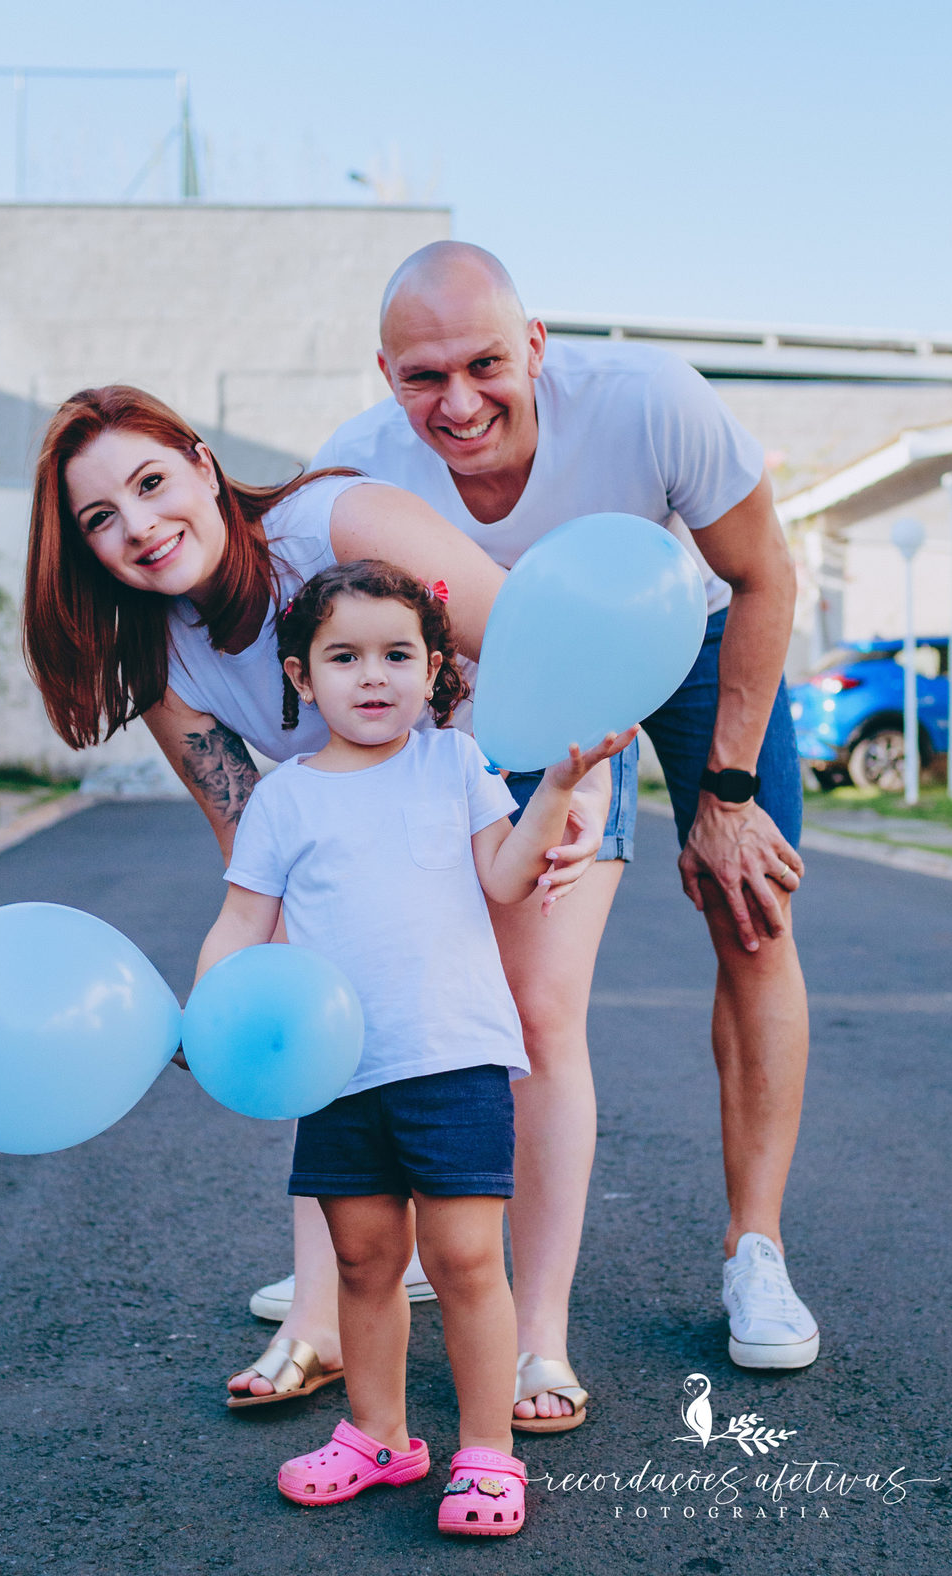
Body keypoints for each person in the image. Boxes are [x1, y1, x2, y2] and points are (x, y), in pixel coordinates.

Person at [22, 383, 613, 1413]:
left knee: (531, 1019)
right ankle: (323, 1315)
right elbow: (245, 836)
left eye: (151, 483)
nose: (139, 528)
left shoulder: (334, 522)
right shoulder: (164, 650)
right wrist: (243, 1002)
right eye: (100, 519)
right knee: (339, 1032)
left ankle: (541, 1342)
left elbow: (536, 643)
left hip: (534, 757)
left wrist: (586, 793)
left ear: (204, 466)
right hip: (355, 804)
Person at [300, 241, 818, 1403]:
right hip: (490, 675)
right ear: (386, 376)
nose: (461, 401)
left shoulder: (651, 407)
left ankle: (756, 1252)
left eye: (485, 363)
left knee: (752, 914)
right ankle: (418, 1228)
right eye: (425, 377)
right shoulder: (354, 469)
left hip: (680, 636)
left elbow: (765, 576)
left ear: (535, 346)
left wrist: (725, 798)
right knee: (464, 949)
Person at [194, 558, 634, 1537]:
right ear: (304, 678)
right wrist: (206, 1008)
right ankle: (380, 1436)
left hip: (454, 1059)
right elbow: (240, 922)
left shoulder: (454, 765)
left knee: (469, 1259)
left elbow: (510, 877)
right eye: (344, 656)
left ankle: (487, 1453)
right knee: (362, 1260)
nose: (374, 675)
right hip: (339, 1069)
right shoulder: (286, 800)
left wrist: (559, 786)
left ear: (434, 668)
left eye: (398, 654)